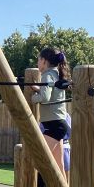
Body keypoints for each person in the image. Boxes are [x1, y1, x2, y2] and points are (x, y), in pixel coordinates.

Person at [31, 48, 71, 177]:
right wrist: (39, 89)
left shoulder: (47, 75)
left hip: (54, 125)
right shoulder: (56, 74)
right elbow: (50, 93)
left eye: (38, 60)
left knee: (38, 159)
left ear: (44, 61)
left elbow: (45, 97)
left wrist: (33, 98)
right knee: (59, 165)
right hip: (58, 124)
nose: (37, 63)